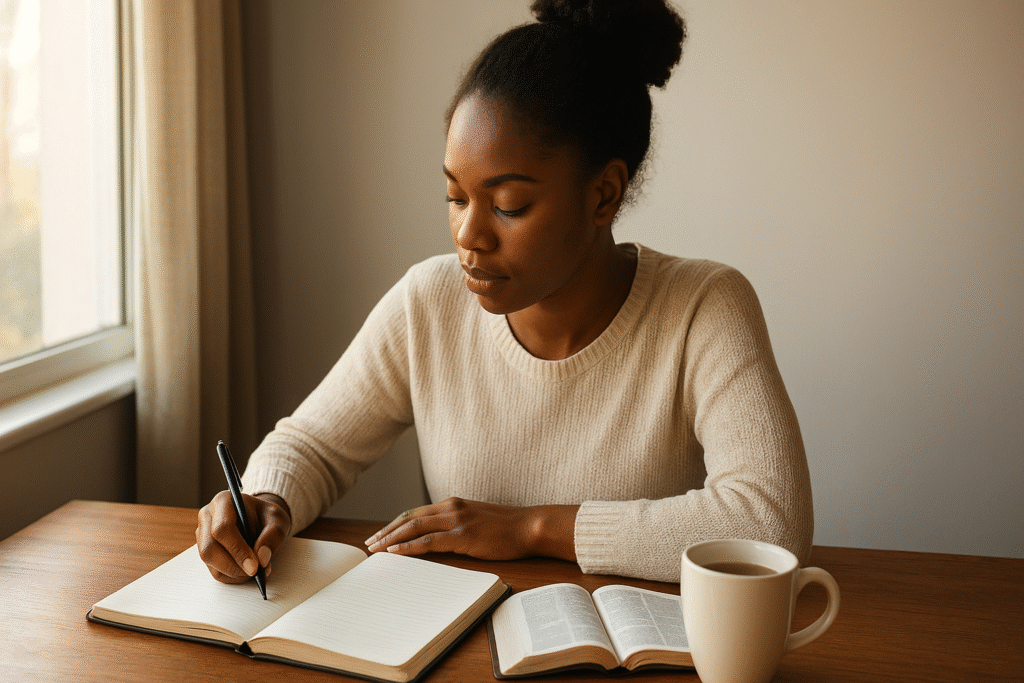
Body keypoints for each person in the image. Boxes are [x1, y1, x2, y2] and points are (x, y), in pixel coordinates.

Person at [196, 0, 813, 585]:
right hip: (457, 644)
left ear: (603, 194)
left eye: (508, 205)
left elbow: (769, 522)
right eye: (456, 197)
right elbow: (313, 445)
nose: (469, 235)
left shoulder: (704, 306)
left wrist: (533, 528)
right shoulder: (429, 303)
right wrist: (265, 498)